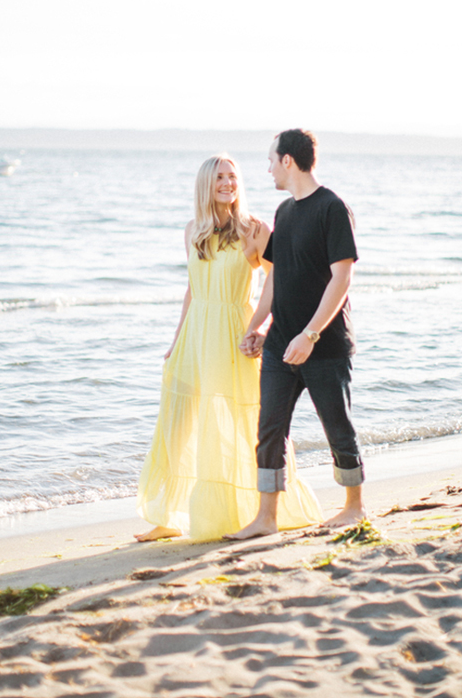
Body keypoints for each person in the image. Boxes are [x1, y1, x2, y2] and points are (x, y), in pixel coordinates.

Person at [135, 154, 322, 542]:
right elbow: (192, 289)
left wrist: (262, 326)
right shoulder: (193, 231)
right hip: (195, 334)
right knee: (179, 419)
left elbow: (277, 279)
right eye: (220, 177)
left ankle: (256, 509)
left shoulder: (255, 229)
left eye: (233, 176)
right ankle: (168, 514)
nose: (228, 183)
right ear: (206, 184)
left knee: (238, 419)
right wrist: (176, 340)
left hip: (233, 334)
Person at [228, 129, 366, 540]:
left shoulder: (332, 208)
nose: (268, 168)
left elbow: (342, 279)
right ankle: (266, 517)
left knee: (337, 425)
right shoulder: (283, 213)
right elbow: (275, 279)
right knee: (269, 428)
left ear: (288, 160)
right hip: (279, 345)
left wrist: (309, 334)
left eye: (271, 160)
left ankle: (354, 507)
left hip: (323, 345)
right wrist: (257, 327)